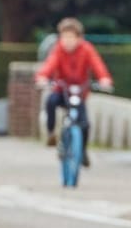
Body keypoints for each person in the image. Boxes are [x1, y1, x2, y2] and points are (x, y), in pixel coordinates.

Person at [34, 17, 113, 165]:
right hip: (62, 89)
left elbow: (97, 64)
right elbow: (49, 65)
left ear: (79, 38)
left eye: (71, 37)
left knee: (85, 124)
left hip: (79, 92)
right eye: (65, 37)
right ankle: (51, 133)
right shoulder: (58, 50)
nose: (68, 41)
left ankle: (82, 151)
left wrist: (104, 79)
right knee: (51, 101)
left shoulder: (87, 49)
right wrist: (42, 77)